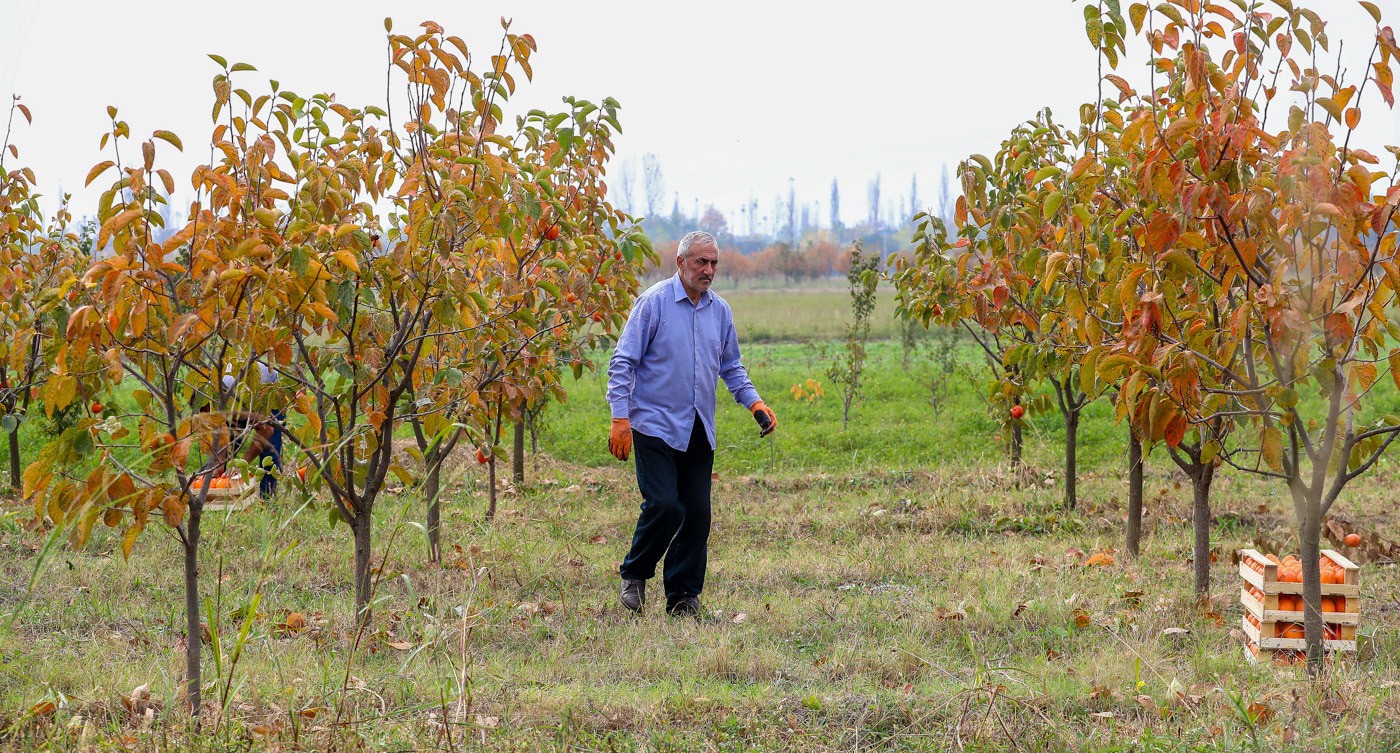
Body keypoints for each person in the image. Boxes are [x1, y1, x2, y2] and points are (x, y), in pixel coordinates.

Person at [606, 230, 778, 617]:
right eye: (701, 262)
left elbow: (731, 366)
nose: (709, 270)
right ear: (681, 263)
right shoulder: (653, 304)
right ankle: (635, 572)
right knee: (665, 505)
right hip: (653, 424)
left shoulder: (721, 311)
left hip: (699, 425)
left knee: (697, 515)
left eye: (714, 263)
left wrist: (754, 402)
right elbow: (623, 362)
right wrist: (619, 417)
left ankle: (683, 597)